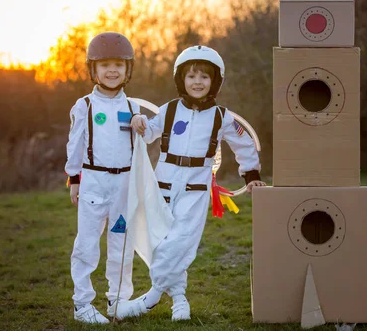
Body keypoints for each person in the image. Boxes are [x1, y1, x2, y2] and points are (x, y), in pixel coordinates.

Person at [123, 45, 266, 321]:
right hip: (163, 186)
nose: (197, 82)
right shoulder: (169, 109)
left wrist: (252, 176)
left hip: (195, 189)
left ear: (215, 81)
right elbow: (149, 133)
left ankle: (151, 298)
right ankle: (179, 300)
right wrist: (139, 120)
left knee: (180, 242)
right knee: (161, 242)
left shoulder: (222, 117)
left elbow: (245, 144)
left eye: (204, 77)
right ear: (181, 79)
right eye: (191, 76)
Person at [65, 32, 141, 324]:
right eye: (105, 64)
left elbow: (150, 140)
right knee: (86, 244)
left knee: (121, 242)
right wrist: (74, 179)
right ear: (93, 69)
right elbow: (75, 144)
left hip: (124, 186)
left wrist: (144, 125)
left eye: (119, 65)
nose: (112, 70)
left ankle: (118, 300)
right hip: (94, 184)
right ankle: (82, 303)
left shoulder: (133, 107)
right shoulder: (84, 105)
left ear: (128, 69)